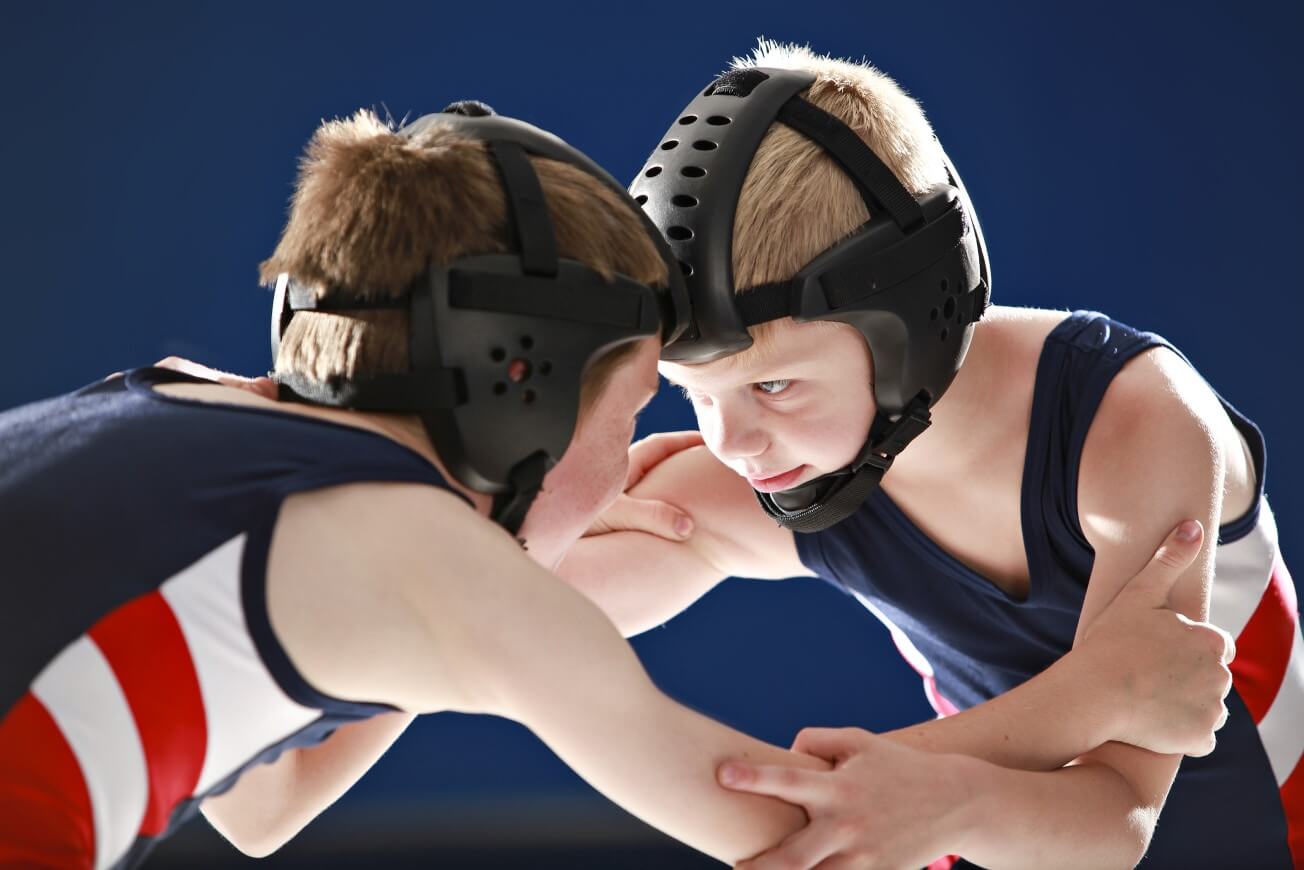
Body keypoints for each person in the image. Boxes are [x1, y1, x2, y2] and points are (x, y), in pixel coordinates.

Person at [0, 102, 862, 870]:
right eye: (631, 415)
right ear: (524, 392)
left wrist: (471, 574)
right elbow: (805, 842)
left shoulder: (160, 394)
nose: (619, 476)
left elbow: (265, 808)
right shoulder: (436, 568)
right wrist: (975, 791)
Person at [558, 41, 1300, 868]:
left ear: (910, 327)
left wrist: (927, 789)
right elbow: (512, 625)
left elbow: (1116, 825)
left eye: (772, 387)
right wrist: (554, 508)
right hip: (976, 828)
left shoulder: (1137, 426)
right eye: (694, 394)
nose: (727, 442)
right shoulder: (802, 463)